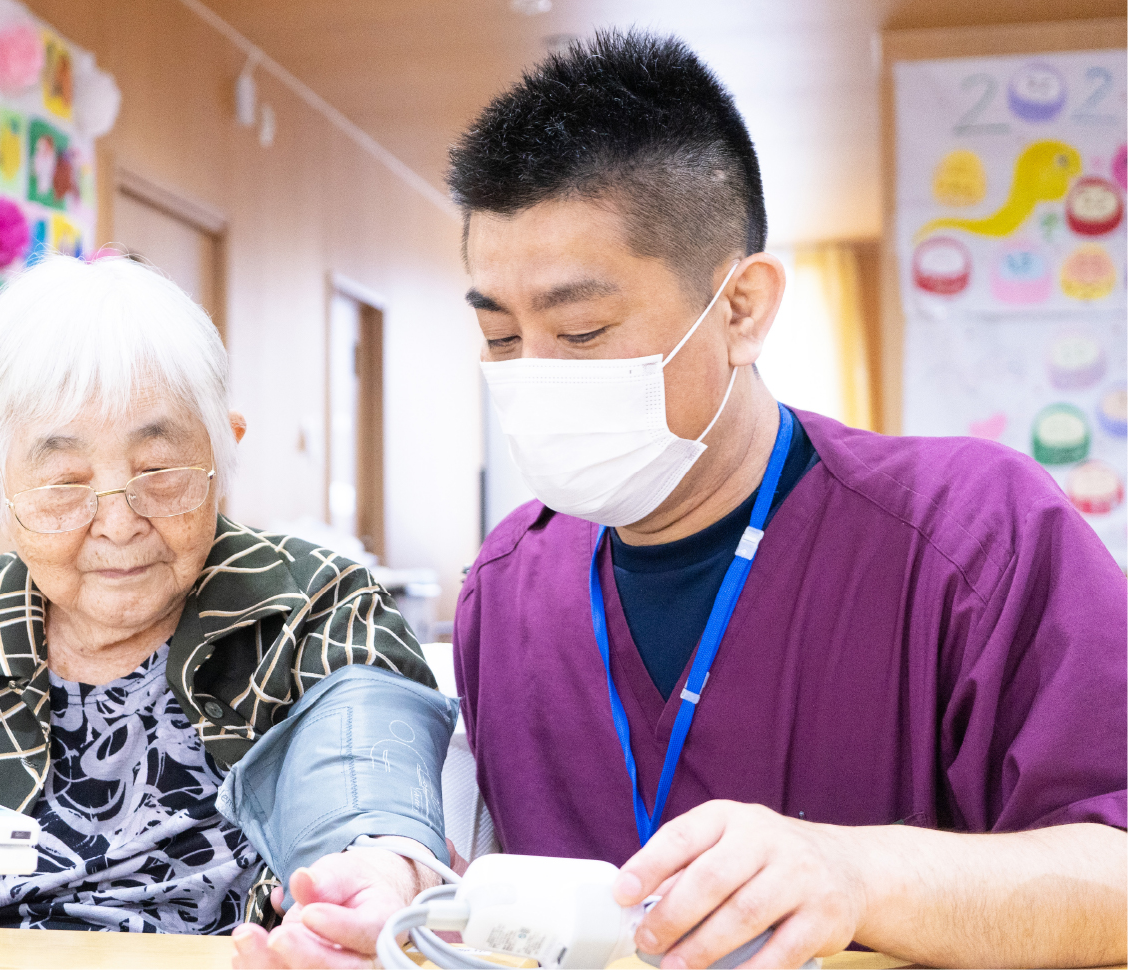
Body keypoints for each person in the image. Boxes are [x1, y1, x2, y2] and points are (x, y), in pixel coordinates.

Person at [448, 29, 1126, 970]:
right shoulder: (508, 582)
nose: (533, 375)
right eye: (498, 336)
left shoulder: (972, 535)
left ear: (740, 309)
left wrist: (858, 872)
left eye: (580, 329)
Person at [0, 254, 452, 970]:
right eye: (63, 482)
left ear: (224, 451)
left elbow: (371, 785)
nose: (117, 523)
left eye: (159, 472)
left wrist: (382, 876)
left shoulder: (312, 604)